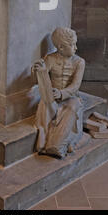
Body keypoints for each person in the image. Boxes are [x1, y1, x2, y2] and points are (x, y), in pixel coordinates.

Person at [31, 27, 87, 159]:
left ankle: (56, 144)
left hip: (71, 98)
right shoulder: (50, 59)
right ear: (61, 47)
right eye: (72, 45)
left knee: (72, 108)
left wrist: (62, 93)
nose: (76, 48)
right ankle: (44, 137)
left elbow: (75, 86)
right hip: (52, 97)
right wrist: (39, 72)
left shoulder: (79, 62)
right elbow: (38, 80)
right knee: (45, 105)